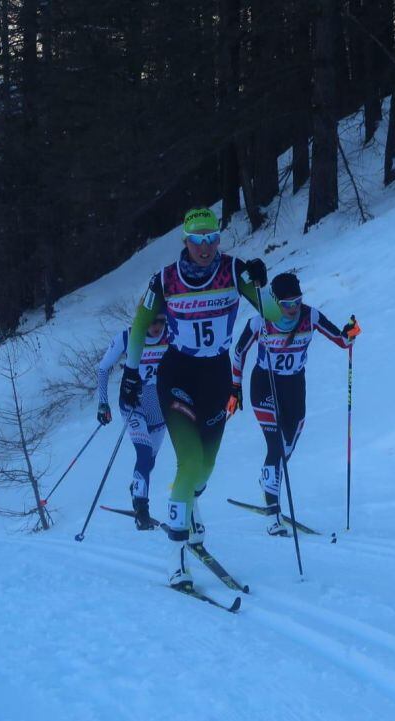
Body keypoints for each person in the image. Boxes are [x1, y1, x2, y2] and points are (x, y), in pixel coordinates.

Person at [119, 207, 281, 588]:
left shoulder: (235, 270)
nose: (205, 248)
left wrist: (262, 282)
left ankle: (189, 508)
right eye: (197, 240)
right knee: (189, 462)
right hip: (178, 375)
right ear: (185, 242)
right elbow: (141, 325)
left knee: (204, 471)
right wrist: (130, 370)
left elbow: (272, 313)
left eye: (211, 239)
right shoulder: (165, 280)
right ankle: (177, 559)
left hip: (215, 378)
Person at [229, 272, 360, 536]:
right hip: (265, 384)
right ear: (275, 302)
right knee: (275, 446)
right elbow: (239, 351)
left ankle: (269, 478)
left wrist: (351, 332)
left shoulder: (310, 316)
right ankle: (273, 514)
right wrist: (235, 388)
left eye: (297, 301)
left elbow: (341, 341)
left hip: (294, 387)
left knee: (287, 446)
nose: (293, 308)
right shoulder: (261, 322)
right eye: (287, 304)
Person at [96, 312, 169, 529]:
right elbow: (103, 368)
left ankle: (137, 487)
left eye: (162, 321)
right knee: (144, 454)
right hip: (133, 405)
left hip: (159, 407)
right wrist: (103, 403)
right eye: (152, 321)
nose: (157, 326)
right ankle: (142, 509)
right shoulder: (128, 337)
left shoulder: (172, 335)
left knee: (149, 462)